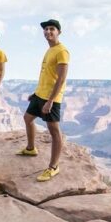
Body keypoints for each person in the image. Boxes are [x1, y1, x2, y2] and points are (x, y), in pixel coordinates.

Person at [17, 19, 70, 182]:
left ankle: (53, 167)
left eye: (52, 29)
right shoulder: (50, 50)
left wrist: (50, 101)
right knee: (27, 119)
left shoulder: (62, 51)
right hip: (40, 94)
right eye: (46, 29)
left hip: (51, 98)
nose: (48, 32)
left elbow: (61, 79)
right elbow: (47, 75)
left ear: (59, 32)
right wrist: (36, 93)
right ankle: (31, 148)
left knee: (54, 130)